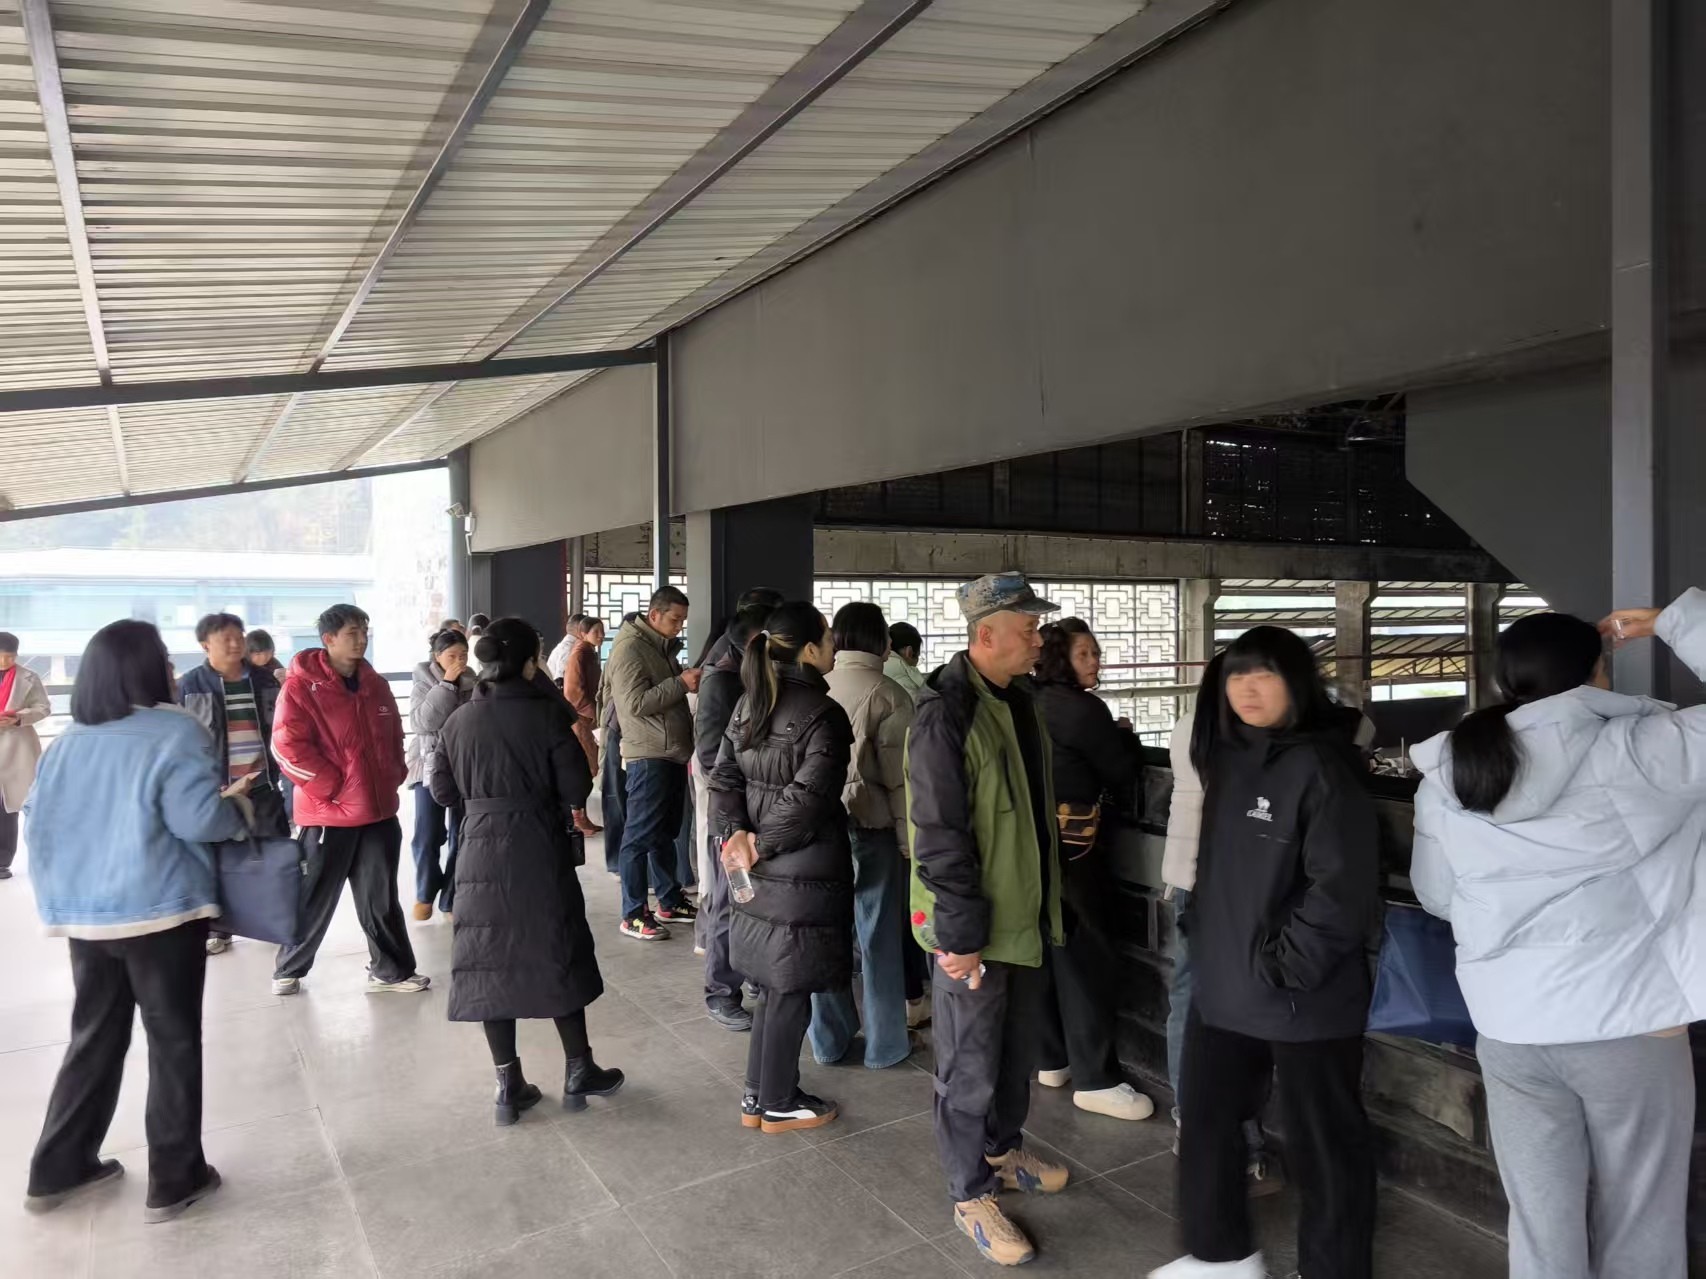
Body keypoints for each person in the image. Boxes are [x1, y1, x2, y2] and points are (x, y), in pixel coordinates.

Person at [1410, 593, 1706, 1279]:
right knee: (1641, 1216)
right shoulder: (1644, 748)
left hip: (1510, 1030)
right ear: (1598, 672)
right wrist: (1670, 622)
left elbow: (1437, 896)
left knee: (1541, 1223)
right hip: (1628, 1023)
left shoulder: (1451, 770)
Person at [1150, 627, 1380, 1279]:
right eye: (1237, 675)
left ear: (1297, 683)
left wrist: (1286, 967)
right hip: (1226, 986)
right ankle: (1220, 1258)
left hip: (1301, 998)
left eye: (1265, 674)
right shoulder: (1229, 757)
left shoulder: (1323, 767)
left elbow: (1343, 888)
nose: (1247, 689)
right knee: (1206, 1126)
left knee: (1324, 1146)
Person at [23, 620, 246, 1222]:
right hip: (160, 912)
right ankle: (175, 1177)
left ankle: (58, 1167)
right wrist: (238, 811)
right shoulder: (175, 730)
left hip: (86, 918)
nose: (171, 670)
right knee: (173, 1041)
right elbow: (197, 820)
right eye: (164, 660)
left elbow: (37, 823)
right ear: (145, 669)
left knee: (94, 1037)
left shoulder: (69, 741)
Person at [908, 573, 1071, 1268]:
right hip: (972, 929)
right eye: (1028, 629)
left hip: (1025, 919)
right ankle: (969, 1192)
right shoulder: (945, 712)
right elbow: (939, 834)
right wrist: (960, 936)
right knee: (967, 1065)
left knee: (1014, 1054)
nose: (1038, 640)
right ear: (986, 634)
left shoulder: (1023, 701)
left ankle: (1002, 1153)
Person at [427, 618, 623, 1124]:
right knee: (556, 948)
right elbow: (577, 788)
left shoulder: (458, 720)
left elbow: (442, 792)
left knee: (488, 960)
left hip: (477, 850)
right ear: (531, 661)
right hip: (537, 845)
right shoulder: (544, 715)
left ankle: (508, 1084)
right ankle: (579, 1068)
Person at [711, 601, 853, 1134]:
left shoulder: (750, 703)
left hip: (758, 865)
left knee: (775, 985)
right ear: (810, 648)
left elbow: (723, 778)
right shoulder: (824, 714)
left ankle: (758, 1094)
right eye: (829, 637)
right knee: (790, 989)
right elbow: (809, 800)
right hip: (801, 868)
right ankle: (778, 1101)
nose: (835, 646)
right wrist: (760, 843)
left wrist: (738, 836)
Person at [1030, 619, 1154, 1121]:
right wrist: (1124, 737)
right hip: (1077, 850)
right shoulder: (1083, 709)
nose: (1095, 662)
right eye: (1085, 654)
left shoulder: (1026, 699)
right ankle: (1096, 1078)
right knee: (1087, 956)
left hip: (1034, 846)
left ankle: (1051, 1059)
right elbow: (1120, 772)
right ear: (1061, 658)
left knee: (1046, 951)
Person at [270, 604, 428, 997]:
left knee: (380, 897)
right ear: (329, 639)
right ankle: (288, 967)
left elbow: (393, 734)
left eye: (364, 631)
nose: (361, 639)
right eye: (352, 632)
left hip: (377, 811)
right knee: (315, 895)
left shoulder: (375, 684)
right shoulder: (300, 687)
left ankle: (390, 971)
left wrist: (393, 773)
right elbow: (287, 747)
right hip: (330, 815)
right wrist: (333, 787)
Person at [809, 601, 916, 1069]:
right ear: (880, 640)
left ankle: (829, 1042)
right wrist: (909, 842)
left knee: (827, 931)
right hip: (873, 827)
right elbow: (900, 781)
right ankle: (886, 1045)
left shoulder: (817, 685)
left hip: (822, 828)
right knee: (878, 938)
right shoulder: (890, 694)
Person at [177, 613, 289, 955]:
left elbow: (283, 727)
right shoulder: (191, 685)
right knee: (220, 861)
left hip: (263, 782)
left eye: (238, 636)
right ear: (204, 645)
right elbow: (181, 739)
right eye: (225, 638)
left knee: (273, 854)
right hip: (219, 790)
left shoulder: (264, 679)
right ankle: (220, 929)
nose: (235, 643)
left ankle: (277, 921)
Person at [605, 586, 701, 939]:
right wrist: (680, 683)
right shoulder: (630, 648)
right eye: (675, 619)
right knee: (638, 837)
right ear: (654, 614)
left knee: (664, 833)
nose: (679, 626)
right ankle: (632, 913)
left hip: (670, 751)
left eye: (683, 620)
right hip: (648, 754)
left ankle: (669, 900)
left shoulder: (660, 646)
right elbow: (633, 704)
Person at [695, 604, 771, 1031]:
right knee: (729, 904)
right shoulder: (722, 681)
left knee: (754, 904)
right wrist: (736, 821)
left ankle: (753, 975)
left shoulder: (755, 679)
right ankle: (721, 992)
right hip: (731, 823)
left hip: (754, 818)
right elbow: (712, 758)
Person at [407, 629, 475, 921]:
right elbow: (423, 722)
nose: (459, 661)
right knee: (427, 833)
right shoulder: (423, 679)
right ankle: (425, 893)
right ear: (437, 656)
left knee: (462, 835)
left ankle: (450, 897)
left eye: (464, 655)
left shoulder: (473, 680)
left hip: (463, 765)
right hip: (428, 765)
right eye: (452, 655)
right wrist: (446, 684)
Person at [0, 632, 49, 881]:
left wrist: (18, 718)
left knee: (7, 807)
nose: (5, 662)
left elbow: (43, 708)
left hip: (16, 746)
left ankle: (2, 862)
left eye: (10, 657)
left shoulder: (29, 677)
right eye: (0, 656)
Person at [560, 614, 606, 838]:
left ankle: (582, 816)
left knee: (589, 768)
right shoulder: (579, 654)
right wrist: (594, 714)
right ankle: (578, 817)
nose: (601, 636)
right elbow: (573, 692)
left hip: (589, 719)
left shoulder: (588, 652)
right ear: (582, 633)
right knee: (584, 768)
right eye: (596, 632)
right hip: (582, 720)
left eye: (602, 631)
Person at [884, 621, 927, 702]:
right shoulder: (902, 674)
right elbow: (919, 705)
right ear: (909, 652)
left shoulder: (879, 663)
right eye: (918, 657)